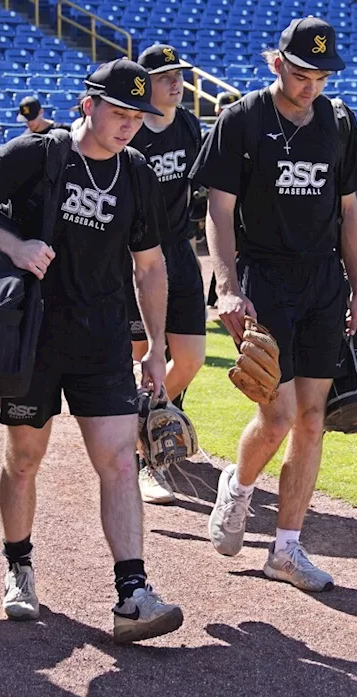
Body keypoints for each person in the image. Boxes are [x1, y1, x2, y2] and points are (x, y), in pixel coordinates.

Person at [0, 58, 184, 644]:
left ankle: (133, 594)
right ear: (87, 105)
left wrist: (153, 344)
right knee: (24, 458)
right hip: (32, 338)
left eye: (137, 115)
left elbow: (149, 267)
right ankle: (18, 565)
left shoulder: (138, 174)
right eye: (119, 112)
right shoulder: (37, 154)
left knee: (120, 460)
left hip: (101, 340)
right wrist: (14, 244)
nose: (128, 125)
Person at [191, 16, 357, 592]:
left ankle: (287, 550)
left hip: (323, 282)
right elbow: (218, 209)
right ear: (276, 64)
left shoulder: (339, 123)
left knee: (314, 420)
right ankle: (238, 488)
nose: (310, 85)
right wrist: (226, 284)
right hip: (264, 277)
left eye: (320, 75)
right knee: (278, 415)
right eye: (299, 73)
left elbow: (348, 212)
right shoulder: (242, 119)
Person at [125, 43, 208, 504]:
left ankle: (143, 428)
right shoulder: (132, 130)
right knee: (143, 358)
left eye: (179, 74)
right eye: (165, 76)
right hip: (137, 257)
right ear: (145, 83)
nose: (177, 82)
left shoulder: (190, 125)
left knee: (190, 359)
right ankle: (144, 462)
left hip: (179, 252)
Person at [204, 90, 242, 308]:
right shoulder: (209, 138)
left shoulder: (249, 137)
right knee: (222, 251)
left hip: (241, 207)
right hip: (218, 206)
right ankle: (218, 294)